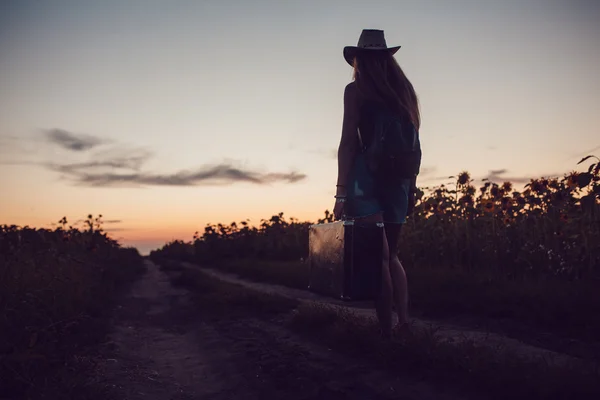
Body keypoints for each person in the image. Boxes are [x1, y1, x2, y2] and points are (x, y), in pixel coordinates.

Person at [332, 29, 420, 339]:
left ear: (358, 59)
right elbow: (414, 145)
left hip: (364, 180)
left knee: (377, 257)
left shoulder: (355, 91)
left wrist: (341, 192)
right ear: (385, 58)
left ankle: (387, 332)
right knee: (392, 254)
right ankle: (405, 324)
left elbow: (347, 143)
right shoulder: (405, 91)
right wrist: (411, 187)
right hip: (399, 180)